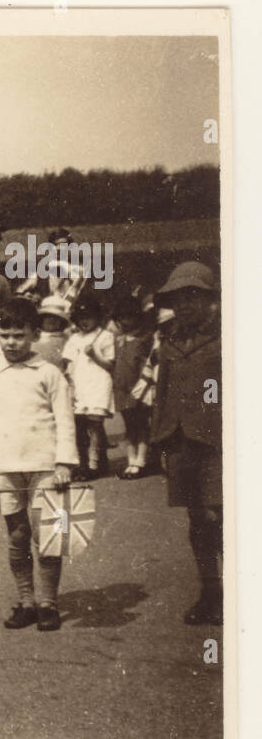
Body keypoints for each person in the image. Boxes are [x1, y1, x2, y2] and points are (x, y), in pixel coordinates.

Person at [0, 298, 77, 632]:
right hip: (5, 468)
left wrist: (64, 463)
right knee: (17, 535)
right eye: (4, 335)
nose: (11, 343)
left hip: (45, 466)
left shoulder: (49, 372)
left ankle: (48, 602)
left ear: (34, 334)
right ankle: (27, 600)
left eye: (18, 335)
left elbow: (65, 418)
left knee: (47, 534)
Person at [148, 262, 222, 625]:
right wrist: (159, 441)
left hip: (220, 443)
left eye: (193, 296)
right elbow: (161, 395)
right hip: (181, 442)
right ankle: (211, 593)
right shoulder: (170, 339)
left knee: (221, 516)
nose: (185, 305)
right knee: (197, 521)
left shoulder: (231, 335)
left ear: (211, 299)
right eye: (178, 299)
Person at [61, 297, 115, 479]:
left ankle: (94, 464)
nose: (85, 321)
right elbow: (68, 363)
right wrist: (70, 383)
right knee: (79, 425)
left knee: (95, 424)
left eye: (89, 317)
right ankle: (83, 462)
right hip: (80, 385)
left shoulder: (105, 336)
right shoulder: (74, 338)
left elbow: (110, 365)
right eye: (81, 317)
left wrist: (95, 355)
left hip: (98, 383)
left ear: (97, 317)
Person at [112, 300, 155, 479]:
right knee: (129, 426)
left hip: (138, 388)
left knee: (142, 425)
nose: (125, 321)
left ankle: (141, 460)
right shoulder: (119, 340)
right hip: (122, 390)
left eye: (129, 317)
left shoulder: (144, 339)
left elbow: (146, 365)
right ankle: (131, 460)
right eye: (122, 318)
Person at [32, 296, 71, 369]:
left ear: (62, 321)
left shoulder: (66, 339)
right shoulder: (32, 336)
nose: (52, 320)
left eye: (56, 317)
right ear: (42, 318)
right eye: (48, 316)